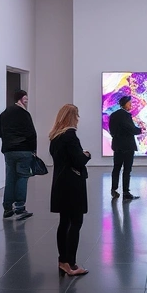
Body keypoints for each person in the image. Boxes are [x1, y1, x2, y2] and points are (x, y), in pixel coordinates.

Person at [49, 104, 91, 276]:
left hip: (60, 183)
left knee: (64, 222)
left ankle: (63, 261)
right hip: (73, 184)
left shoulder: (55, 137)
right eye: (77, 116)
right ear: (73, 117)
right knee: (76, 222)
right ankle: (72, 264)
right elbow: (78, 161)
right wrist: (86, 155)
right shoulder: (70, 136)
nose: (79, 119)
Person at [0, 90, 37, 220]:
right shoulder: (24, 114)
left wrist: (9, 140)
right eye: (25, 99)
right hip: (23, 150)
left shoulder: (4, 114)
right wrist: (33, 150)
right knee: (22, 177)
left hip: (9, 151)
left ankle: (7, 208)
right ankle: (20, 207)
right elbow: (32, 133)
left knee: (10, 178)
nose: (26, 102)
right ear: (20, 99)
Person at [108, 95, 145, 200]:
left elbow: (112, 130)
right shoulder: (126, 116)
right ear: (125, 104)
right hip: (127, 146)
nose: (131, 105)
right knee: (127, 169)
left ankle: (114, 189)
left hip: (117, 145)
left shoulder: (114, 115)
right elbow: (131, 129)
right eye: (130, 104)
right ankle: (126, 192)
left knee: (116, 168)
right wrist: (140, 130)